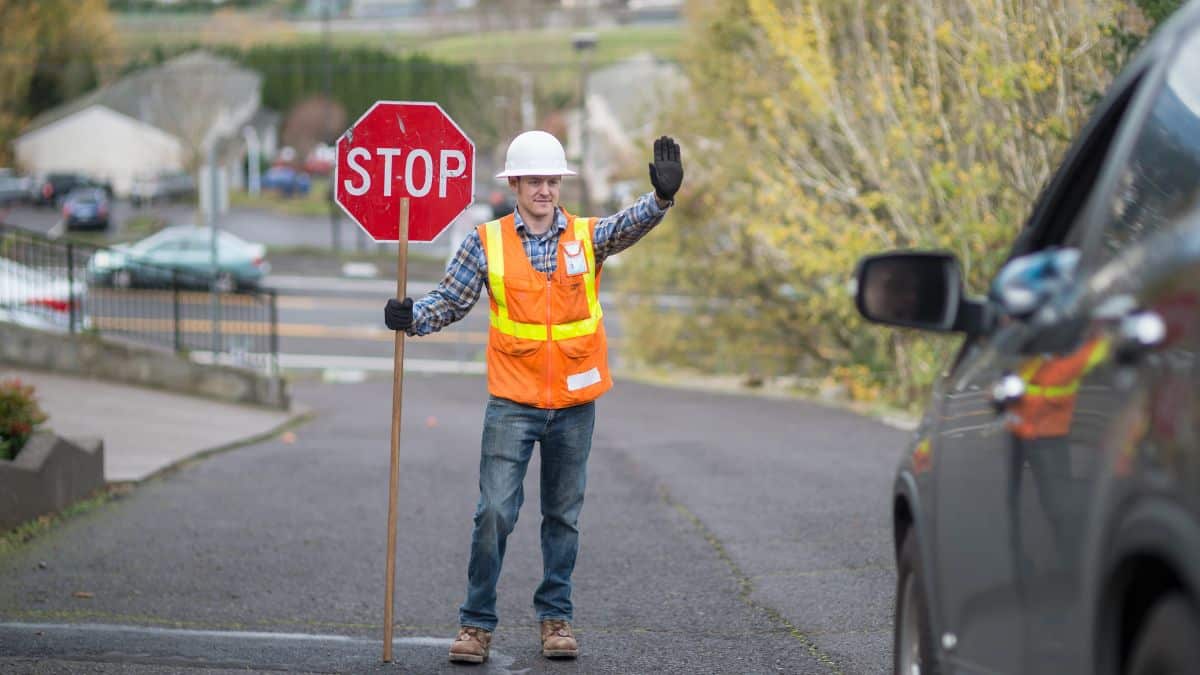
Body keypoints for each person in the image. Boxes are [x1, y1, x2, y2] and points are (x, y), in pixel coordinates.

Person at [383, 130, 683, 663]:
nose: (544, 190)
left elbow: (626, 225)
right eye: (535, 180)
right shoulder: (487, 241)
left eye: (551, 180)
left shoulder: (587, 237)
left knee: (563, 516)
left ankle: (555, 619)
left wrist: (660, 199)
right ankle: (475, 625)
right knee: (494, 512)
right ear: (515, 183)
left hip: (573, 405)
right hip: (513, 403)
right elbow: (451, 300)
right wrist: (413, 318)